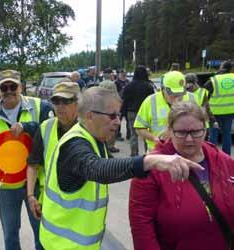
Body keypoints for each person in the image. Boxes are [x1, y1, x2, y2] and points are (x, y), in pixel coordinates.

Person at [39, 87, 203, 250]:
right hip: (63, 245)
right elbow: (98, 169)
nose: (118, 121)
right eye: (112, 116)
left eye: (118, 115)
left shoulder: (93, 137)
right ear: (90, 116)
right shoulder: (75, 144)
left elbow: (114, 165)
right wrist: (150, 161)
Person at [129, 101, 234, 250]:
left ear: (205, 130)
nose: (189, 139)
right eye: (182, 132)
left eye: (196, 132)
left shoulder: (224, 162)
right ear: (170, 131)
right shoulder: (151, 170)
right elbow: (141, 228)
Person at [0, 69, 52, 250]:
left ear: (21, 87)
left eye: (13, 86)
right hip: (7, 185)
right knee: (10, 235)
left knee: (42, 233)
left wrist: (26, 126)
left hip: (36, 182)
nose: (9, 90)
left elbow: (51, 131)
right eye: (4, 87)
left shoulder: (41, 107)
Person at [27, 81, 80, 220]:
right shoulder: (45, 127)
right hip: (49, 204)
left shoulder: (90, 129)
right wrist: (31, 195)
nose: (60, 106)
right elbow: (33, 164)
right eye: (56, 101)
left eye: (66, 101)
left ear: (78, 103)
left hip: (79, 208)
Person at [134, 70, 197, 152]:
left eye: (180, 93)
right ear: (163, 89)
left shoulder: (192, 98)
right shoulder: (150, 101)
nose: (177, 98)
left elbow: (202, 126)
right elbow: (139, 128)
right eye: (173, 94)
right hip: (159, 152)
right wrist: (154, 138)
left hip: (185, 151)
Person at [121, 65, 155, 156]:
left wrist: (123, 113)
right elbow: (152, 100)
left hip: (131, 112)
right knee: (146, 134)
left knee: (133, 134)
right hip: (145, 113)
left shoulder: (128, 86)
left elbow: (124, 100)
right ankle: (147, 153)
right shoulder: (148, 86)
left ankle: (134, 153)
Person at [204, 60, 234, 155]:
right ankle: (226, 157)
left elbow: (205, 91)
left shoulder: (214, 80)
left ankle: (212, 156)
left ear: (222, 68)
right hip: (230, 111)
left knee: (213, 135)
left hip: (214, 113)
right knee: (227, 135)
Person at [99, 69, 121, 153]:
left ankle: (104, 144)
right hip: (111, 107)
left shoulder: (101, 84)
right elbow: (115, 95)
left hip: (102, 107)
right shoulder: (112, 84)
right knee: (113, 127)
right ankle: (111, 145)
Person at [115, 69, 130, 141]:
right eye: (122, 73)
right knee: (118, 120)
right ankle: (117, 135)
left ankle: (129, 134)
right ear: (119, 74)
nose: (124, 74)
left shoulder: (128, 82)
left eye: (125, 73)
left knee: (128, 120)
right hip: (119, 104)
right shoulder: (116, 82)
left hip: (127, 104)